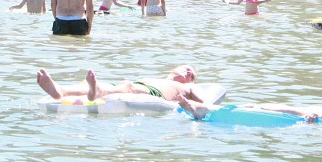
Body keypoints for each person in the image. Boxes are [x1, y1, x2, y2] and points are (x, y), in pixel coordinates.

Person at [178, 77, 322, 123]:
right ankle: (204, 110)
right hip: (309, 111)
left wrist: (320, 116)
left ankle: (203, 111)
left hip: (314, 116)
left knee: (263, 108)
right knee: (257, 106)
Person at [37, 64, 201, 102]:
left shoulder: (189, 86)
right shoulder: (159, 78)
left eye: (191, 74)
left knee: (127, 86)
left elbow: (203, 101)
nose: (188, 72)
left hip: (155, 94)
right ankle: (61, 91)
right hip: (140, 86)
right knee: (101, 84)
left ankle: (97, 92)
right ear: (173, 69)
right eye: (186, 68)